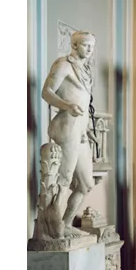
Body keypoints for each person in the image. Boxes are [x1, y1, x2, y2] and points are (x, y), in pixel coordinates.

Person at [40, 30, 98, 237]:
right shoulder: (63, 64)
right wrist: (66, 105)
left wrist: (88, 129)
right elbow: (46, 92)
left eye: (92, 46)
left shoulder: (86, 69)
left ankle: (65, 223)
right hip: (66, 127)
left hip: (80, 130)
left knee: (85, 184)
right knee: (64, 179)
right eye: (85, 45)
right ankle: (53, 226)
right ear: (74, 46)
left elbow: (83, 101)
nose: (90, 49)